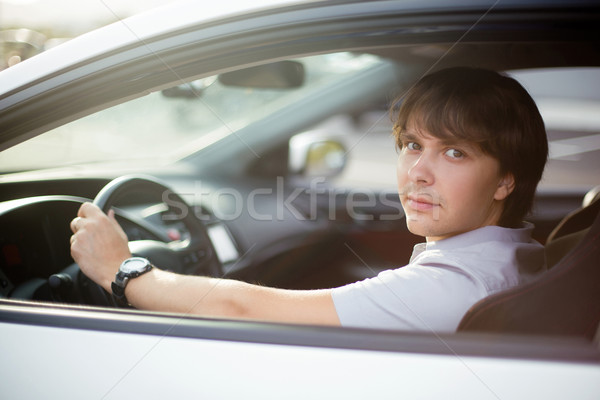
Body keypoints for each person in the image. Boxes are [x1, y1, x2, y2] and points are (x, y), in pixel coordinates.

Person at [70, 67, 548, 332]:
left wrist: (122, 269)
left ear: (505, 181)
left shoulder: (454, 286)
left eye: (455, 152)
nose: (419, 172)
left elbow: (242, 309)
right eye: (412, 145)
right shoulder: (515, 253)